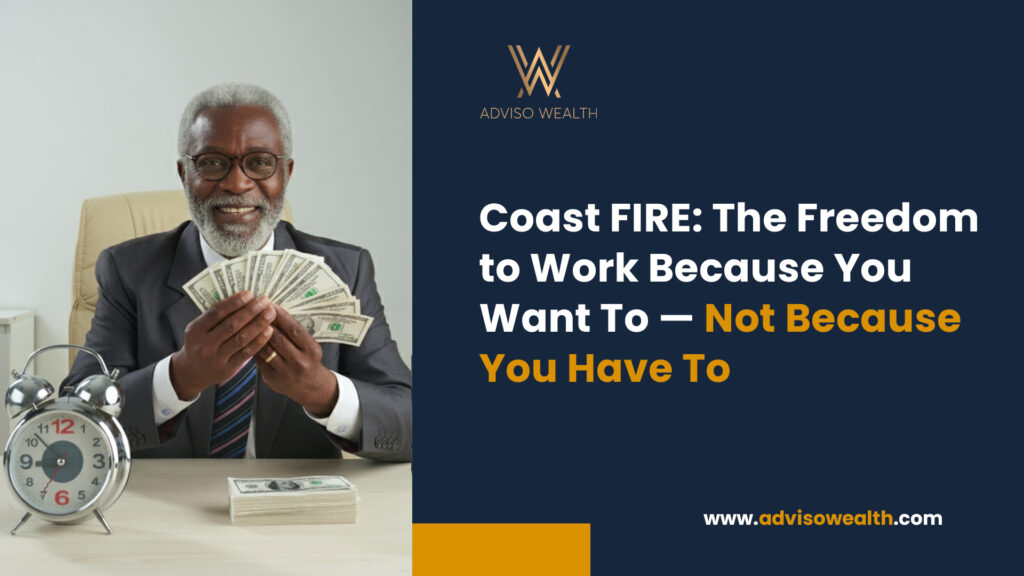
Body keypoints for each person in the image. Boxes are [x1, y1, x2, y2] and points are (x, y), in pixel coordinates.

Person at [63, 82, 411, 462]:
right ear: (184, 174)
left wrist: (322, 392)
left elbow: (410, 422)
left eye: (260, 162)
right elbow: (75, 417)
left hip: (298, 510)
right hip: (170, 505)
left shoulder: (347, 270)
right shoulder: (128, 270)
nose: (237, 183)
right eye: (212, 162)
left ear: (286, 173)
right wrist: (178, 379)